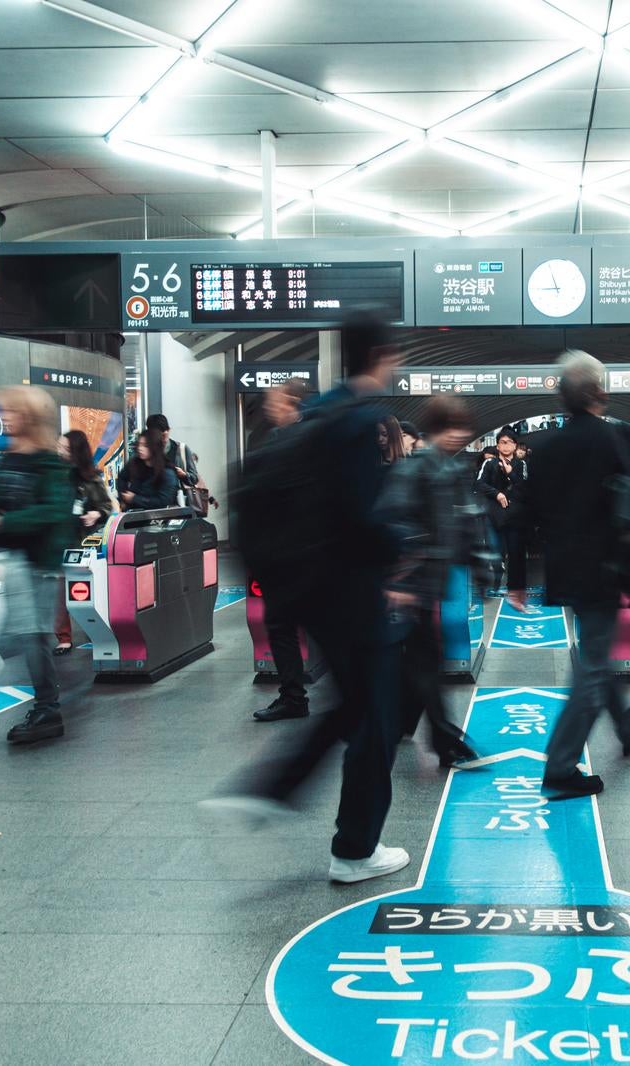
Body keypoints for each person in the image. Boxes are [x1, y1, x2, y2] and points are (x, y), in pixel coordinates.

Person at [217, 312, 408, 883]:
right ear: (383, 356)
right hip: (350, 591)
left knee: (351, 704)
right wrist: (401, 551)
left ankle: (272, 788)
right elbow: (362, 516)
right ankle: (353, 849)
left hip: (304, 587)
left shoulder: (318, 413)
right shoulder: (361, 422)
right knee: (375, 717)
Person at [525, 351, 630, 797]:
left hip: (564, 571)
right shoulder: (617, 440)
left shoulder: (545, 447)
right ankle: (559, 768)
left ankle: (627, 724)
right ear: (600, 393)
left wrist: (519, 573)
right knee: (591, 667)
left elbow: (530, 511)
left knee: (594, 652)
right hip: (606, 571)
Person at [377, 395, 495, 766]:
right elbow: (395, 524)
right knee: (427, 660)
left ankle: (399, 725)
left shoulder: (452, 469)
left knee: (421, 660)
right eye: (454, 428)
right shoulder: (414, 470)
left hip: (432, 582)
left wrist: (480, 565)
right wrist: (401, 582)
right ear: (439, 429)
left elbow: (465, 522)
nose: (459, 436)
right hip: (414, 587)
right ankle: (445, 742)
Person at [0, 386, 77, 745]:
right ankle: (45, 705)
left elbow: (53, 511)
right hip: (16, 559)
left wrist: (1, 523)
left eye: (10, 411)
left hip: (38, 562)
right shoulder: (11, 457)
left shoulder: (48, 462)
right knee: (24, 634)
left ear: (28, 416)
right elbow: (4, 500)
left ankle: (48, 708)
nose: (3, 418)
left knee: (32, 636)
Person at [253, 379, 312, 723]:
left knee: (282, 626)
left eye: (273, 400)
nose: (268, 407)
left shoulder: (280, 443)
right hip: (311, 552)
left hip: (290, 554)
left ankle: (294, 697)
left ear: (290, 401)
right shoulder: (319, 440)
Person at [53, 429, 114, 655]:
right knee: (59, 593)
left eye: (66, 449)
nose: (60, 451)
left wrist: (95, 514)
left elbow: (107, 506)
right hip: (58, 540)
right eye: (59, 446)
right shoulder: (55, 473)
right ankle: (64, 638)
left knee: (85, 590)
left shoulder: (90, 477)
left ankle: (95, 627)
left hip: (81, 543)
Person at [476, 427, 528, 595]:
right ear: (497, 446)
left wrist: (511, 473)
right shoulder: (489, 463)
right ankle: (496, 583)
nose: (506, 446)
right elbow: (478, 484)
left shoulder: (521, 464)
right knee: (495, 552)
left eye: (510, 442)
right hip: (494, 515)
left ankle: (514, 589)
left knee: (515, 554)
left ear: (515, 446)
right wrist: (496, 494)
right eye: (502, 442)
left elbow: (525, 489)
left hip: (514, 516)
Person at [146, 412, 216, 514]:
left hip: (179, 503)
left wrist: (184, 475)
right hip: (155, 505)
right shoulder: (147, 451)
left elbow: (195, 478)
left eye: (164, 433)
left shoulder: (181, 449)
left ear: (169, 430)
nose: (162, 438)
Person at [117, 431, 177, 511]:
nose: (140, 448)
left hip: (156, 517)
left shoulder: (167, 472)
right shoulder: (135, 463)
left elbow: (164, 501)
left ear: (154, 447)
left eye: (145, 446)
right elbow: (122, 478)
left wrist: (134, 499)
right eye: (139, 444)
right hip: (131, 514)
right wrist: (123, 498)